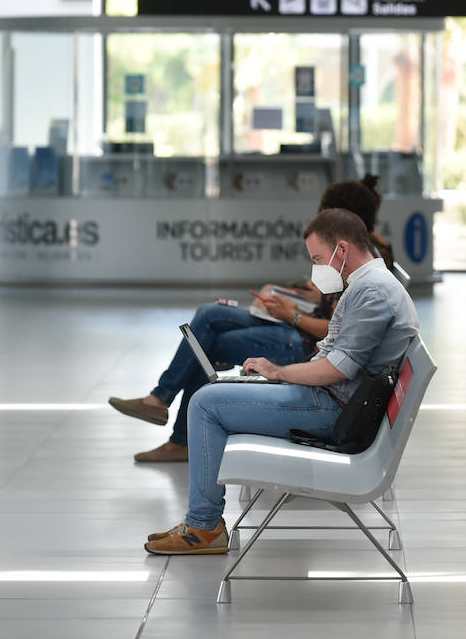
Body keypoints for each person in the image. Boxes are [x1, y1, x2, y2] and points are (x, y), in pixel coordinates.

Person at [144, 207, 418, 554]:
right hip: (333, 399)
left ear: (342, 249)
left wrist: (278, 372)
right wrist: (277, 377)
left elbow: (338, 369)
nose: (317, 269)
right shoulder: (367, 284)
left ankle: (204, 527)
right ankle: (202, 522)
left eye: (318, 259)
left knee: (204, 403)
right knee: (217, 392)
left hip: (334, 409)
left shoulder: (372, 291)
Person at [110, 174, 394, 463]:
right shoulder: (359, 259)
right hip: (299, 326)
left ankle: (175, 428)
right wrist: (284, 295)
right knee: (210, 313)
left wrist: (292, 315)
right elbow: (328, 305)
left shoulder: (360, 269)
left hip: (303, 341)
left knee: (208, 344)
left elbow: (334, 333)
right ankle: (162, 403)